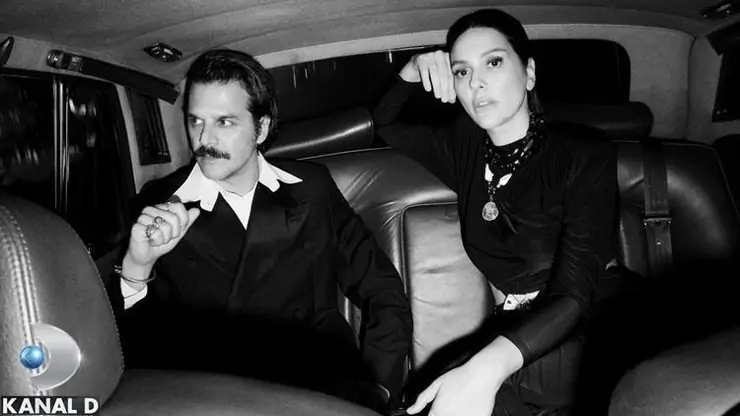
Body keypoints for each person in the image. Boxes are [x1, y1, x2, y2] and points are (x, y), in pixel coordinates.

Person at [98, 48, 412, 413]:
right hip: (212, 395)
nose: (204, 139)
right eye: (196, 121)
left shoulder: (311, 188)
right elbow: (132, 344)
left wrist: (377, 388)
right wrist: (137, 267)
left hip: (320, 386)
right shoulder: (159, 206)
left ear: (260, 128)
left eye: (224, 122)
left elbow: (382, 289)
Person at [372, 9, 620, 416]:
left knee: (456, 389)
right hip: (520, 332)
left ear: (529, 73)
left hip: (597, 321)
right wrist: (413, 69)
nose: (477, 82)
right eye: (462, 71)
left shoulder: (580, 156)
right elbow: (385, 121)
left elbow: (573, 294)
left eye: (493, 62)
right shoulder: (465, 148)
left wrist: (485, 367)